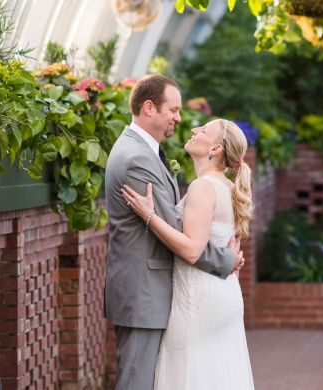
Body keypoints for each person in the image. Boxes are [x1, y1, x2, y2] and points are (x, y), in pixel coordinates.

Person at [103, 74, 245, 390]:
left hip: (161, 294)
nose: (180, 119)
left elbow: (180, 230)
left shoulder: (147, 151)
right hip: (144, 294)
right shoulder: (137, 157)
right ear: (150, 108)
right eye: (174, 110)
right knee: (136, 383)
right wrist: (225, 259)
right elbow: (178, 231)